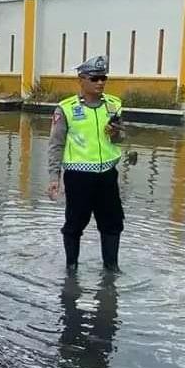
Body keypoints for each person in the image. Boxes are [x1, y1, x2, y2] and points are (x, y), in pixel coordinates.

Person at [47, 55, 125, 272]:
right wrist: (54, 178)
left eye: (103, 78)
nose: (100, 82)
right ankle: (71, 268)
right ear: (81, 79)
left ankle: (112, 268)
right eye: (95, 78)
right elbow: (55, 145)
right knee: (74, 224)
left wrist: (117, 134)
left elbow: (120, 139)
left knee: (113, 224)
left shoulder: (114, 105)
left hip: (108, 175)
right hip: (78, 176)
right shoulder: (66, 109)